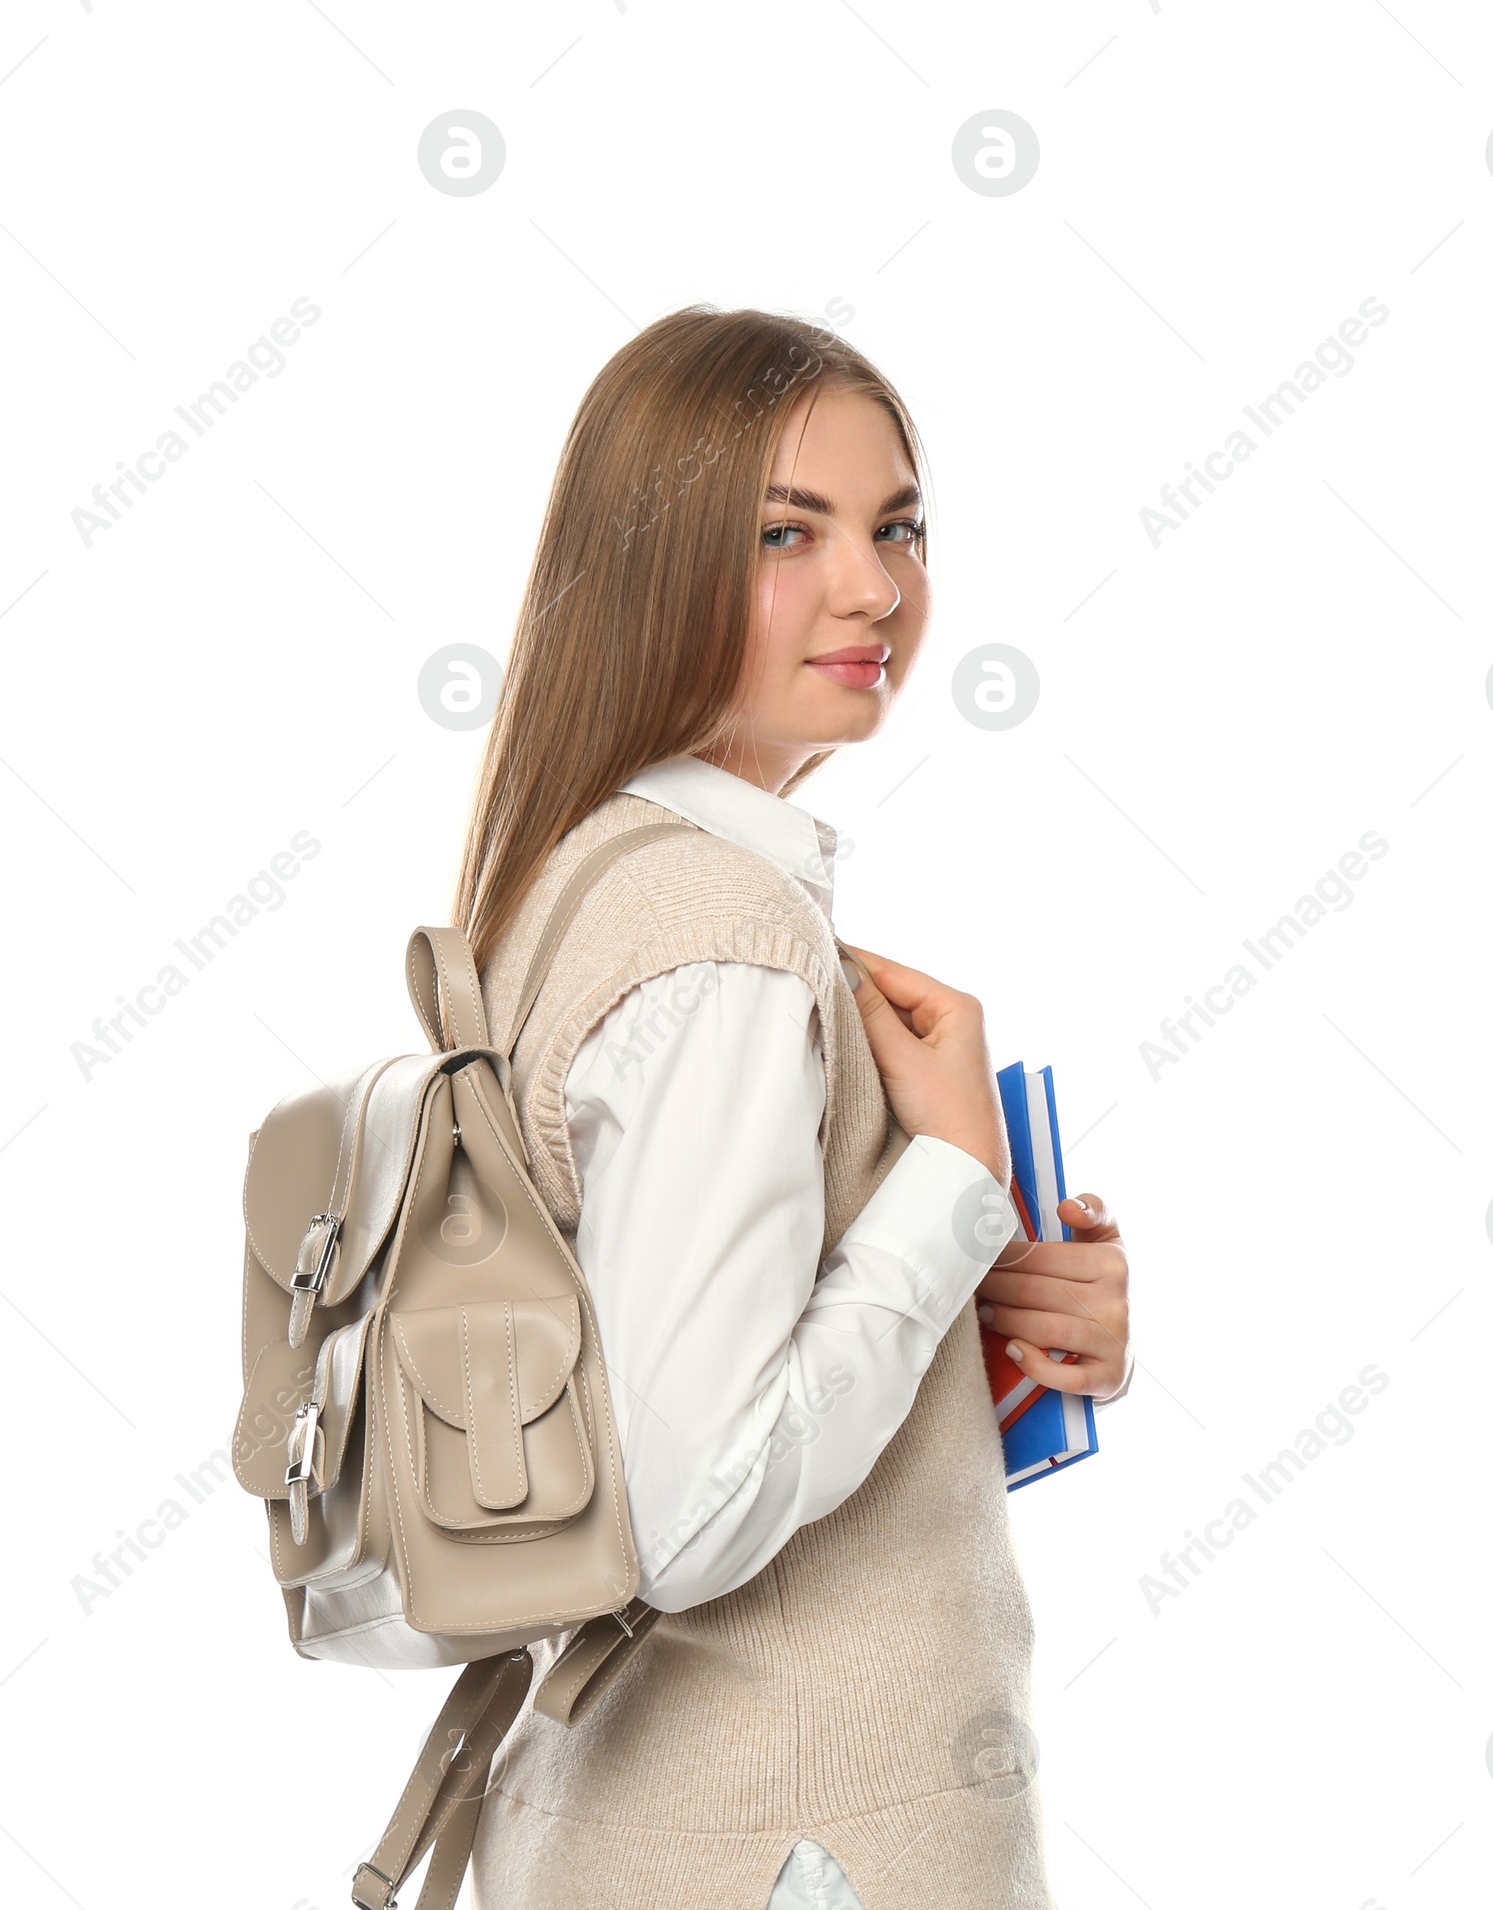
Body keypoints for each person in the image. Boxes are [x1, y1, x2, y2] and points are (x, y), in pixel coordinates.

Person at [452, 305, 1133, 1910]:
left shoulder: (589, 884)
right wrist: (955, 1171)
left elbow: (647, 1394)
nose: (876, 588)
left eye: (898, 525)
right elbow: (698, 1507)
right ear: (649, 567)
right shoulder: (724, 940)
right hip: (797, 1846)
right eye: (787, 533)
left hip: (657, 1818)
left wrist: (981, 1342)